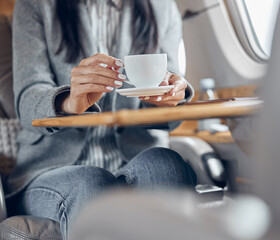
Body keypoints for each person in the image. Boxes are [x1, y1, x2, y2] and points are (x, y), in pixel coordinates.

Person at [6, 0, 197, 238]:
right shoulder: (35, 4)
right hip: (52, 166)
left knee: (167, 166)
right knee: (91, 184)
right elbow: (27, 99)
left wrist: (173, 95)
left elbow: (171, 81)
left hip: (135, 155)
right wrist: (68, 101)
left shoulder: (162, 6)